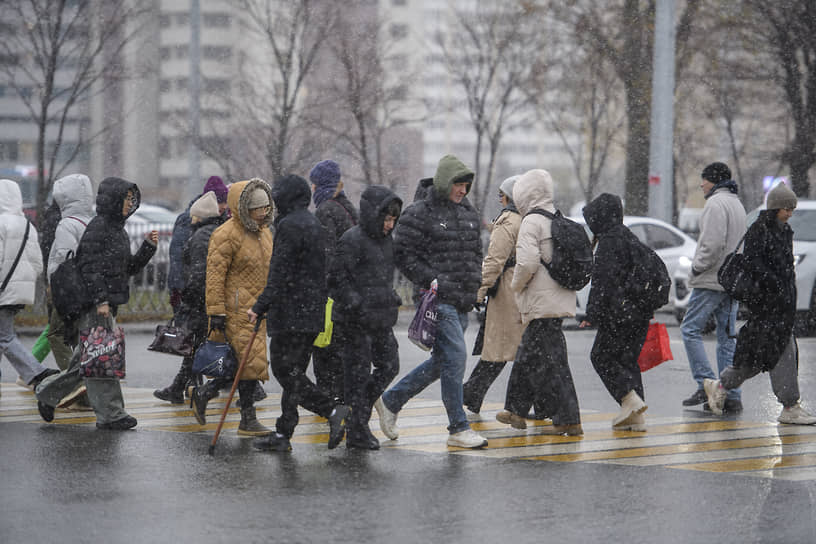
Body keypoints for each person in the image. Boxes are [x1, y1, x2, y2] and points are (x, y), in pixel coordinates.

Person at [374, 154, 488, 449]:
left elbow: (476, 253)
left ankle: (390, 401)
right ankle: (458, 427)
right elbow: (404, 254)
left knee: (443, 362)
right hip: (437, 298)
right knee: (456, 359)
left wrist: (475, 283)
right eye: (458, 185)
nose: (463, 191)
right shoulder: (419, 212)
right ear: (444, 182)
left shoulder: (468, 212)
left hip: (462, 299)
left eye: (466, 186)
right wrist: (432, 280)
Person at [35, 176, 157, 429]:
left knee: (88, 360)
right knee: (102, 358)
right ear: (112, 200)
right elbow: (89, 268)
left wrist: (147, 248)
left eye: (131, 200)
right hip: (94, 304)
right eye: (125, 199)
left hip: (107, 303)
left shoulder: (118, 230)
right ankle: (112, 414)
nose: (129, 204)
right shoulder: (99, 227)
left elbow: (127, 268)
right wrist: (101, 299)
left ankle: (47, 393)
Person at [249, 174, 350, 452]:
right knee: (296, 372)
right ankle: (284, 433)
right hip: (312, 313)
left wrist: (260, 306)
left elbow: (279, 272)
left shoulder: (289, 225)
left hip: (291, 313)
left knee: (285, 371)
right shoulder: (313, 223)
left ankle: (332, 410)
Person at [704, 182, 816, 424]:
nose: (789, 214)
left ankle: (720, 385)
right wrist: (774, 285)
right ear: (775, 207)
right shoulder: (759, 231)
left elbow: (785, 269)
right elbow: (756, 267)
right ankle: (789, 406)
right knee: (782, 352)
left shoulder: (784, 231)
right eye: (786, 208)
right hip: (766, 306)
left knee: (755, 358)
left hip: (780, 306)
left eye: (792, 209)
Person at [191, 179, 275, 436]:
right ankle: (246, 418)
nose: (263, 213)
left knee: (249, 365)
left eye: (266, 208)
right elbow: (214, 276)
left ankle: (206, 394)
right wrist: (216, 312)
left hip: (256, 310)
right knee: (247, 364)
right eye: (257, 208)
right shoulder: (225, 234)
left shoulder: (265, 234)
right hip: (234, 310)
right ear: (244, 208)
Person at [506, 168, 582, 436]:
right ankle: (515, 409)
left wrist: (515, 285)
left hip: (541, 302)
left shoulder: (531, 222)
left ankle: (568, 419)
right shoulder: (556, 218)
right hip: (558, 298)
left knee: (546, 360)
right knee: (536, 357)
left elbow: (526, 263)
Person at [328, 185, 403, 450]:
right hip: (355, 322)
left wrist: (390, 296)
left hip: (380, 318)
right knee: (357, 377)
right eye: (387, 218)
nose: (390, 224)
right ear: (375, 214)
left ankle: (357, 414)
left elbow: (381, 278)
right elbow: (336, 278)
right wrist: (354, 301)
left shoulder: (387, 242)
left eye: (394, 219)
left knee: (390, 366)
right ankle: (357, 428)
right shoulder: (352, 239)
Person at [579, 193, 651, 431]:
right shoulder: (630, 237)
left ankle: (629, 401)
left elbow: (603, 282)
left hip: (619, 314)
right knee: (627, 362)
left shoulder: (610, 242)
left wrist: (591, 314)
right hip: (638, 313)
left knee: (601, 357)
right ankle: (636, 418)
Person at [680, 162, 747, 412]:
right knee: (727, 338)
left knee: (689, 329)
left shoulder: (715, 204)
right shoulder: (737, 204)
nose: (702, 184)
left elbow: (712, 244)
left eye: (705, 179)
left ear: (715, 181)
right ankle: (731, 394)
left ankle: (705, 383)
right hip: (732, 282)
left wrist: (697, 267)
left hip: (711, 279)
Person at [462, 175, 527, 420]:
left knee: (500, 347)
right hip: (519, 290)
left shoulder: (508, 221)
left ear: (510, 197)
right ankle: (473, 394)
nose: (499, 199)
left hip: (506, 292)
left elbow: (493, 262)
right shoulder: (526, 219)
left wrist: (478, 292)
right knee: (506, 348)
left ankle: (472, 393)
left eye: (502, 194)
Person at [152, 192, 225, 405]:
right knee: (197, 346)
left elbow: (200, 273)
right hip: (211, 300)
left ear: (200, 216)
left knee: (199, 346)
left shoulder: (201, 236)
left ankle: (207, 388)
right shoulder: (215, 232)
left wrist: (189, 298)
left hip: (203, 301)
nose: (191, 219)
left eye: (194, 215)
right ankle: (179, 387)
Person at [0, 178, 59, 391]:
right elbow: (37, 264)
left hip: (2, 290)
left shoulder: (0, 223)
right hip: (19, 292)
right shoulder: (27, 225)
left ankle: (36, 373)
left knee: (4, 337)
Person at [309, 159, 359, 404]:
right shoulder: (349, 208)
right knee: (342, 351)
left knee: (325, 349)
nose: (312, 190)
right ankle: (342, 397)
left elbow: (326, 256)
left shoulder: (326, 211)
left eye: (314, 185)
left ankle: (330, 402)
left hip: (331, 296)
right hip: (351, 292)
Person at [167, 175, 228, 313]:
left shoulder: (221, 221)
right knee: (185, 328)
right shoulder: (187, 220)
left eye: (226, 201)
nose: (224, 206)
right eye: (220, 201)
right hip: (188, 289)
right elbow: (177, 257)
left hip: (201, 290)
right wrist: (178, 289)